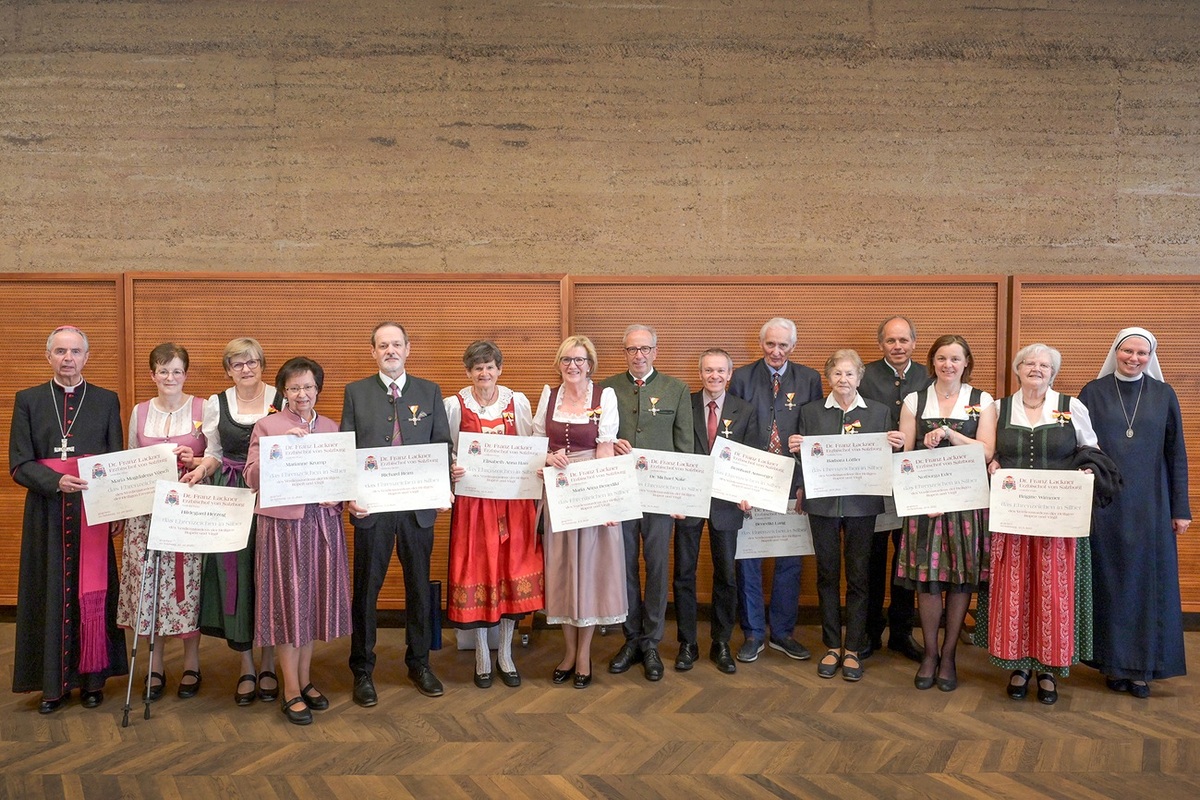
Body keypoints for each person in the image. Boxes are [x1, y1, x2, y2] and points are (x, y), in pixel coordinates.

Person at [974, 344, 1105, 705]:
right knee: (1015, 591)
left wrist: (1085, 469)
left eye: (1044, 365)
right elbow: (987, 451)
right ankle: (1018, 665)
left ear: (1053, 372)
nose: (1036, 369)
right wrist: (992, 463)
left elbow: (1092, 450)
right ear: (1017, 369)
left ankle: (1049, 668)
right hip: (1012, 518)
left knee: (1052, 592)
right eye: (1029, 363)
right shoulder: (998, 408)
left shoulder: (1071, 406)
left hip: (1057, 520)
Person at [10, 326, 128, 713]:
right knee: (49, 592)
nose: (68, 358)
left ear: (86, 357)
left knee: (91, 592)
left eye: (75, 351)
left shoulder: (106, 400)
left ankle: (92, 681)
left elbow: (115, 459)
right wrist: (55, 481)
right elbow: (19, 463)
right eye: (60, 351)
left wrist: (116, 508)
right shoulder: (28, 400)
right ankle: (53, 686)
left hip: (92, 511)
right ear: (49, 356)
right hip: (46, 513)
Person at [342, 322, 453, 703]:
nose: (390, 351)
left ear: (408, 349)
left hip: (418, 509)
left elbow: (442, 444)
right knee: (366, 591)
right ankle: (362, 669)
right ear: (373, 352)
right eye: (383, 345)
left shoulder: (429, 390)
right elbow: (346, 449)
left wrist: (442, 488)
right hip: (371, 509)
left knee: (419, 588)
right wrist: (349, 495)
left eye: (396, 344)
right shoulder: (355, 392)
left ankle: (419, 663)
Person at [1080, 328, 1190, 699]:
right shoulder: (1093, 392)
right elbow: (1081, 448)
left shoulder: (1163, 394)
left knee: (1146, 586)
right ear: (1116, 351)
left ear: (1150, 356)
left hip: (1152, 506)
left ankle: (1142, 669)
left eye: (1142, 353)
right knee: (1111, 584)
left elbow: (1176, 454)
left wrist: (1181, 509)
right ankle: (1113, 664)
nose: (1134, 358)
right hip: (1105, 505)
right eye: (1128, 351)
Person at [245, 356, 351, 725]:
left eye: (307, 386)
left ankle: (305, 680)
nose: (301, 394)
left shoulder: (332, 428)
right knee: (288, 606)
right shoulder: (268, 426)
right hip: (282, 528)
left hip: (322, 524)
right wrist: (279, 451)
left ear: (317, 389)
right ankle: (290, 689)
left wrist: (338, 497)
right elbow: (250, 478)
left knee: (312, 605)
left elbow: (343, 478)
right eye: (294, 388)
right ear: (284, 392)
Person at [792, 350, 905, 682]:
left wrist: (897, 445)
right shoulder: (810, 412)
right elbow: (802, 461)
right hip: (822, 506)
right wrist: (795, 449)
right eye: (837, 374)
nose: (843, 380)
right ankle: (831, 645)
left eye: (850, 374)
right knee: (827, 575)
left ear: (859, 378)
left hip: (862, 506)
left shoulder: (880, 413)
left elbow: (889, 460)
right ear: (828, 377)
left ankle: (853, 647)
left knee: (859, 577)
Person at [896, 334, 995, 692]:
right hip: (926, 505)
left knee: (959, 580)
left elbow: (987, 452)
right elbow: (904, 456)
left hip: (966, 505)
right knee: (928, 581)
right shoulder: (915, 399)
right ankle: (930, 654)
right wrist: (922, 445)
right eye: (941, 358)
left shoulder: (982, 400)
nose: (948, 365)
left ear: (966, 362)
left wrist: (951, 435)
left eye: (955, 358)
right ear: (932, 362)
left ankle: (950, 655)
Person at [445, 340, 543, 689]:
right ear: (468, 372)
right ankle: (482, 654)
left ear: (499, 369)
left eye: (489, 367)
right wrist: (452, 467)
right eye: (477, 368)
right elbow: (446, 449)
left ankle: (506, 654)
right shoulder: (454, 405)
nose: (484, 373)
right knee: (480, 570)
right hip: (475, 505)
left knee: (511, 570)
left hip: (514, 503)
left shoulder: (517, 402)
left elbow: (530, 446)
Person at [191, 338, 282, 706]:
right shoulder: (217, 403)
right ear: (228, 370)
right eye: (238, 364)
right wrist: (200, 472)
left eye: (253, 362)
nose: (246, 369)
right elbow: (213, 453)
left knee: (270, 573)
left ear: (262, 365)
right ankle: (246, 664)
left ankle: (269, 662)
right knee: (236, 575)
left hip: (271, 492)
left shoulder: (281, 397)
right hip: (229, 493)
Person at [116, 343, 208, 701]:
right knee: (149, 586)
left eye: (177, 370)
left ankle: (191, 663)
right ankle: (154, 665)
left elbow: (213, 457)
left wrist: (194, 458)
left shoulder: (203, 408)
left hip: (187, 512)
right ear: (152, 374)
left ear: (186, 374)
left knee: (188, 587)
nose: (170, 377)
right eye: (163, 370)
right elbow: (128, 461)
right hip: (146, 514)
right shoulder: (139, 412)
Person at [601, 324, 693, 682]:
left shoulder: (676, 389)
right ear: (624, 353)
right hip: (620, 493)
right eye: (631, 349)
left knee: (656, 567)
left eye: (644, 349)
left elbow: (685, 446)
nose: (638, 355)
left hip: (660, 498)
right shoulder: (607, 388)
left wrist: (680, 496)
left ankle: (652, 642)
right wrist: (612, 443)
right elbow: (595, 437)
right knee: (623, 567)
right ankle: (631, 639)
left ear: (656, 351)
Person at [728, 317, 822, 663]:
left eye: (783, 345)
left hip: (793, 483)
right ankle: (753, 633)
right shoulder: (741, 377)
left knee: (790, 560)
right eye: (771, 344)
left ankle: (783, 633)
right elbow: (732, 429)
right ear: (761, 344)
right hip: (752, 480)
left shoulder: (810, 379)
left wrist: (805, 484)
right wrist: (737, 484)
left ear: (793, 346)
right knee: (748, 560)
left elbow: (817, 429)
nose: (777, 351)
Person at [535, 336, 626, 688]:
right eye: (566, 360)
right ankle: (569, 652)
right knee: (563, 570)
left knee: (588, 572)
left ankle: (584, 654)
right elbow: (537, 444)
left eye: (579, 360)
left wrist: (606, 501)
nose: (572, 366)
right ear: (559, 363)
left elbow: (605, 450)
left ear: (590, 364)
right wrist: (548, 457)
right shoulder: (549, 396)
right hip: (558, 492)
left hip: (590, 489)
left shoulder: (604, 397)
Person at [672, 348, 760, 674]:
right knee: (684, 573)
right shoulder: (685, 404)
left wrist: (749, 492)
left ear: (730, 374)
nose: (714, 376)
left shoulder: (745, 410)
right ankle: (687, 643)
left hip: (727, 502)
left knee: (726, 574)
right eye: (708, 370)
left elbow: (752, 455)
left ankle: (720, 642)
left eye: (721, 370)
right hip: (689, 499)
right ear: (700, 373)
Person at [857, 316, 928, 662]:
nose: (897, 346)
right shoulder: (864, 375)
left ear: (914, 342)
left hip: (914, 482)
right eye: (890, 340)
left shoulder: (929, 375)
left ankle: (901, 633)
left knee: (907, 558)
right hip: (872, 481)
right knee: (871, 559)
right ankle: (869, 632)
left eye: (903, 340)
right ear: (881, 344)